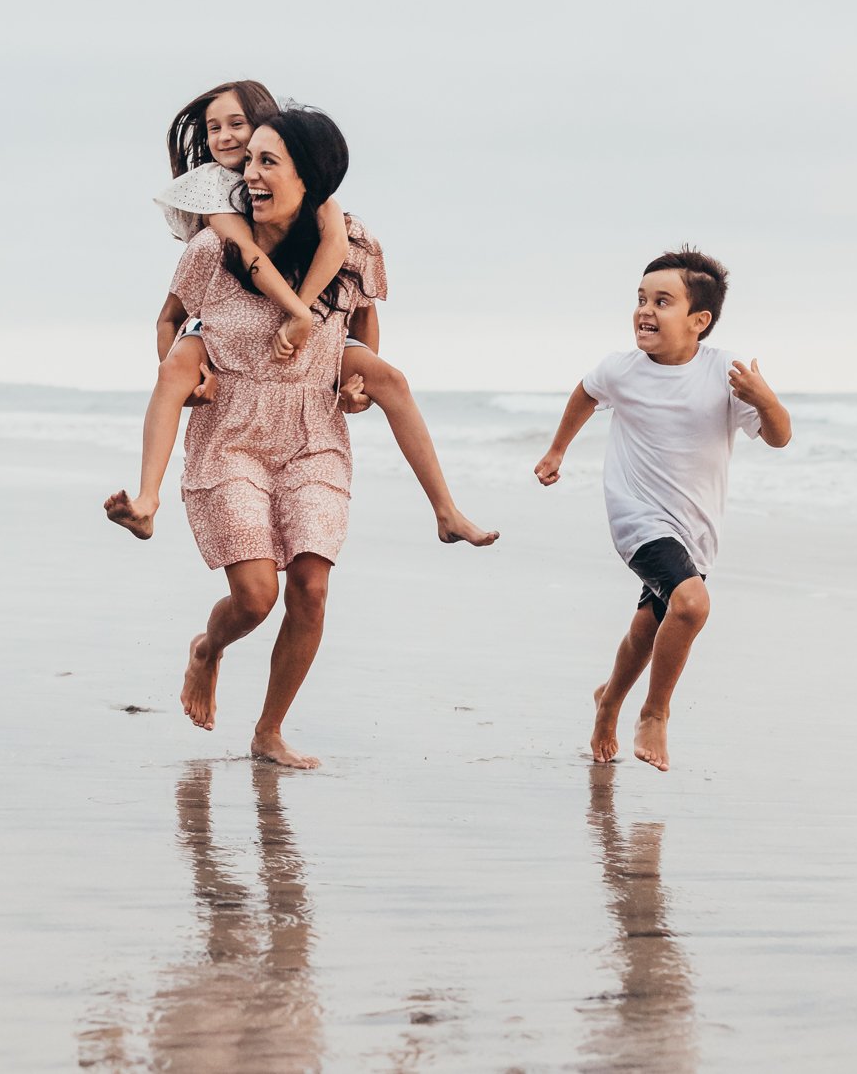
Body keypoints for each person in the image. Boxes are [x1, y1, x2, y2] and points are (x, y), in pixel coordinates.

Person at [104, 80, 496, 548]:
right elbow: (242, 255)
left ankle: (447, 511)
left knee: (390, 378)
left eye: (238, 126)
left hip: (306, 329)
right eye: (214, 128)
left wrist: (347, 377)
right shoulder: (216, 194)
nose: (226, 138)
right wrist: (202, 374)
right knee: (175, 370)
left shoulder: (311, 193)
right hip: (222, 317)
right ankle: (148, 500)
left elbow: (340, 255)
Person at [161, 105, 383, 769]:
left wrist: (356, 384)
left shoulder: (352, 244)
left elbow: (363, 333)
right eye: (244, 156)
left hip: (313, 430)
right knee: (256, 596)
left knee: (311, 583)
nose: (248, 167)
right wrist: (183, 371)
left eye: (267, 159)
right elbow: (171, 320)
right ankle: (208, 647)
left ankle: (269, 729)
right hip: (232, 427)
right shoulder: (213, 245)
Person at [533, 248, 792, 771]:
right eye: (641, 299)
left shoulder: (724, 374)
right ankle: (654, 712)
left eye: (662, 301)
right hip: (637, 517)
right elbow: (585, 393)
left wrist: (766, 400)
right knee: (692, 605)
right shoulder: (621, 369)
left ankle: (607, 701)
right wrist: (558, 448)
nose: (645, 310)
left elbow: (780, 438)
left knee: (650, 628)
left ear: (700, 321)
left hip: (695, 528)